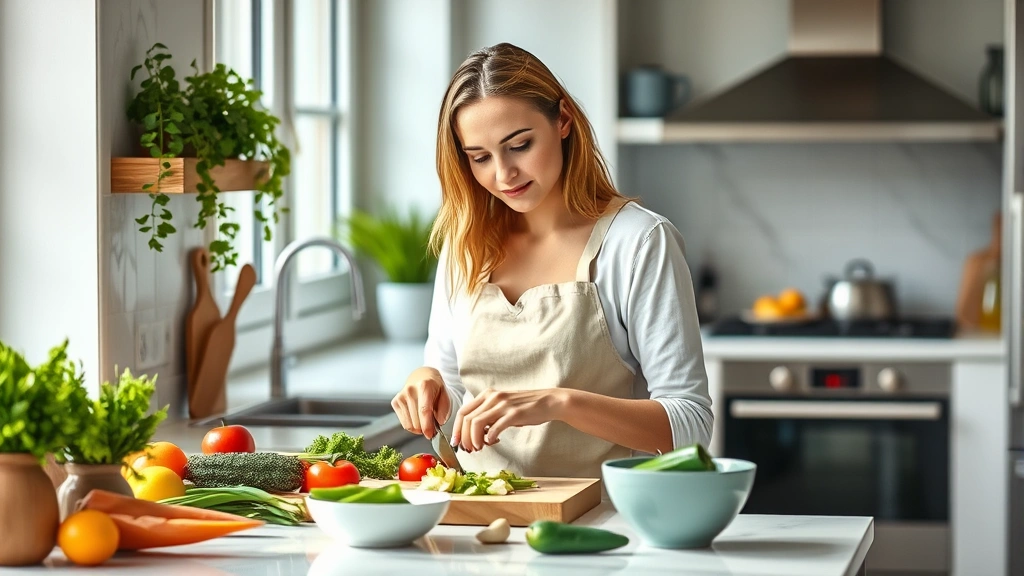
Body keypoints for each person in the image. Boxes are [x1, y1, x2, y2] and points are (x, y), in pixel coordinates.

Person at [390, 43, 712, 480]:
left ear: (562, 120)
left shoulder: (638, 243)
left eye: (519, 145)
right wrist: (430, 390)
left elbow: (690, 427)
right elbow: (454, 411)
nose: (503, 175)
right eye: (479, 158)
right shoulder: (464, 244)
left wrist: (558, 402)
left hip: (606, 526)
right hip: (485, 520)